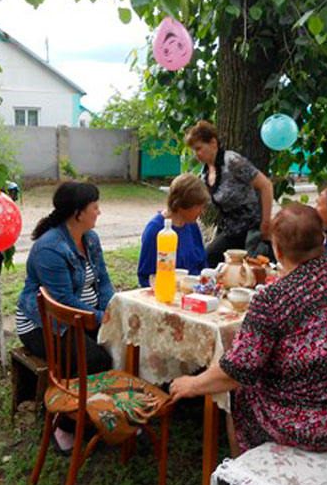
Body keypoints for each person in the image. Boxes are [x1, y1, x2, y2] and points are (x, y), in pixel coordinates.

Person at [169, 203, 327, 455]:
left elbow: (237, 371)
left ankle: (242, 478)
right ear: (322, 239)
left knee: (242, 393)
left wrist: (190, 384)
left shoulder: (273, 298)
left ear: (277, 251)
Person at [15, 181, 114, 453]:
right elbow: (62, 303)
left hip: (84, 317)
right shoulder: (50, 248)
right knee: (96, 360)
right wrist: (98, 318)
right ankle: (63, 425)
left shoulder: (90, 238)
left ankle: (99, 411)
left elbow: (103, 280)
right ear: (78, 213)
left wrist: (108, 309)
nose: (99, 212)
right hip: (47, 324)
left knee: (123, 345)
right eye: (95, 206)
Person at [184, 121, 274, 268]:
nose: (196, 154)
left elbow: (266, 186)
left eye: (199, 148)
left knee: (210, 259)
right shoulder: (205, 173)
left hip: (251, 230)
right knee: (208, 261)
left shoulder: (232, 161)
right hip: (229, 231)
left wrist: (266, 223)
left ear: (213, 142)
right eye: (194, 150)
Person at [137, 173, 208, 288]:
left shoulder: (192, 225)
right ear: (182, 206)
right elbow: (146, 277)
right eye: (199, 206)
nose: (202, 212)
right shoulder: (155, 230)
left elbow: (202, 264)